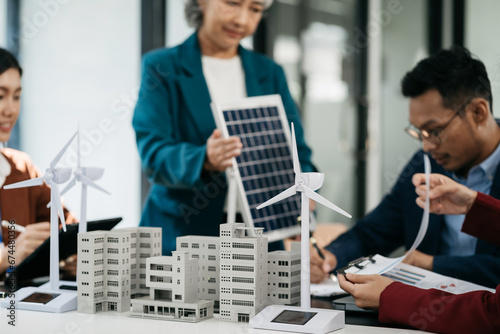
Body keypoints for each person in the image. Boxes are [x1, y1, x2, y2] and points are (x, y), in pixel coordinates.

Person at [132, 0, 316, 255]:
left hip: (260, 237)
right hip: (182, 234)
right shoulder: (162, 66)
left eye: (255, 9)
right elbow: (154, 154)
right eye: (232, 3)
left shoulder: (270, 72)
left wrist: (303, 196)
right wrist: (204, 159)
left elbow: (298, 152)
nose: (242, 20)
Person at [311, 46, 500, 288]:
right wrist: (331, 256)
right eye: (418, 132)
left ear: (478, 112)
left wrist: (430, 265)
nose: (427, 145)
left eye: (435, 131)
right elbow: (372, 233)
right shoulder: (426, 165)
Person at [337, 173, 500, 334]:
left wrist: (392, 297)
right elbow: (373, 230)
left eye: (436, 142)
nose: (428, 147)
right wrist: (476, 206)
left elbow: (494, 314)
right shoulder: (426, 161)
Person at [0, 48, 76, 276]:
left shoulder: (21, 168)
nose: (10, 109)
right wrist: (7, 256)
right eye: (0, 95)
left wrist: (73, 254)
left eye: (16, 96)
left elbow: (67, 226)